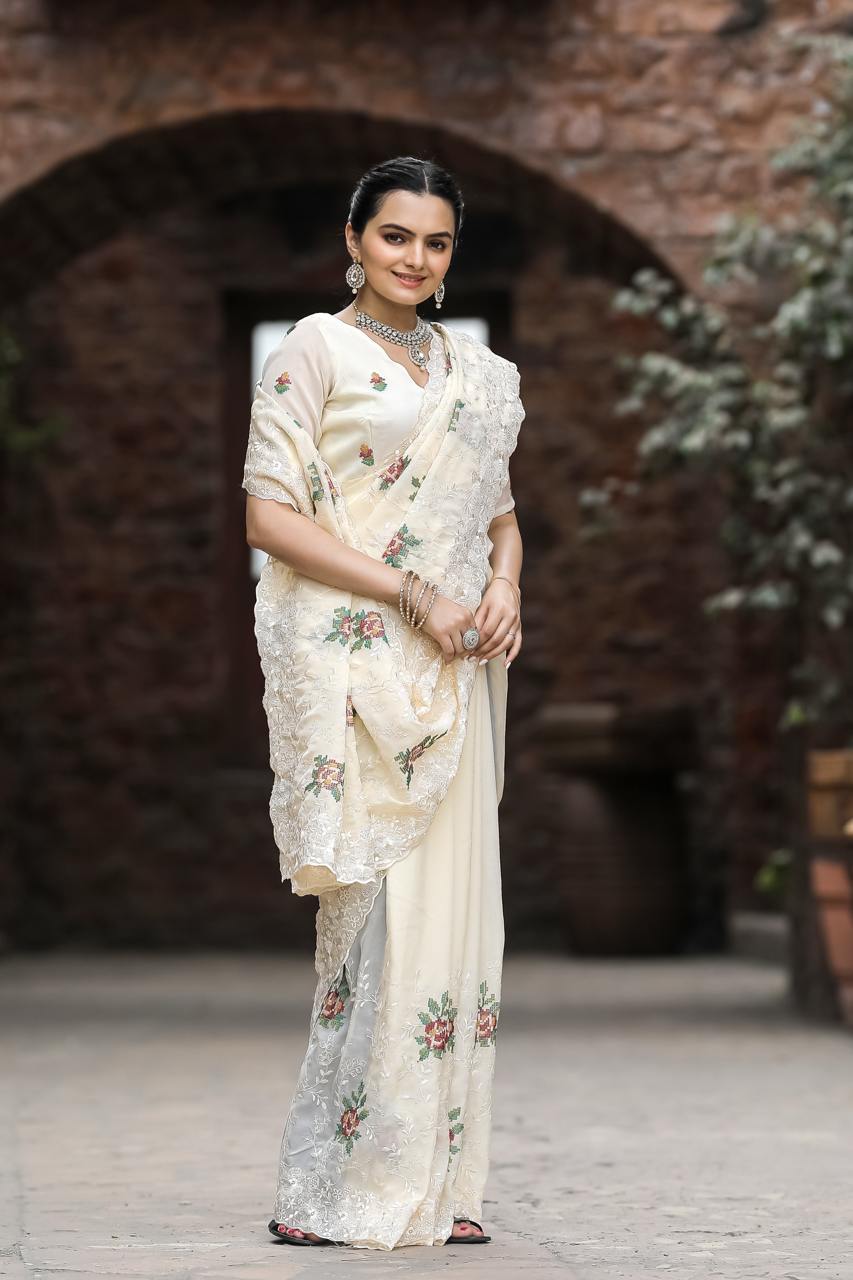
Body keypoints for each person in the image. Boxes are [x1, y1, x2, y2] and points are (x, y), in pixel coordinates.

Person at [241, 155, 524, 1250]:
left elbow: (498, 514)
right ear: (354, 239)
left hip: (456, 667)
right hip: (361, 670)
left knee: (457, 921)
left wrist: (503, 588)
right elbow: (270, 517)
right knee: (384, 920)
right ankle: (335, 1185)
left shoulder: (476, 374)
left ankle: (438, 1181)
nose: (415, 257)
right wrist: (412, 593)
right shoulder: (314, 349)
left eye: (435, 241)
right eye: (395, 235)